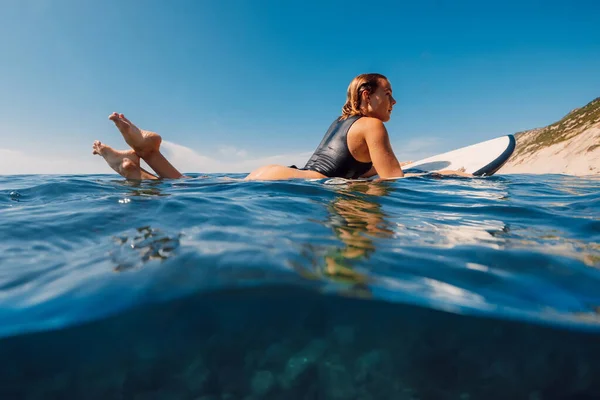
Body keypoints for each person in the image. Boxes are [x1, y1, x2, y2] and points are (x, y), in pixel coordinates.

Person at [92, 73, 470, 180]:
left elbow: (360, 171)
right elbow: (392, 182)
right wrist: (447, 177)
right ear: (368, 95)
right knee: (185, 189)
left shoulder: (344, 123)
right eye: (389, 93)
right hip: (289, 182)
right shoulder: (372, 126)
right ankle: (138, 160)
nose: (394, 101)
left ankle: (140, 157)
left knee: (187, 187)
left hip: (279, 175)